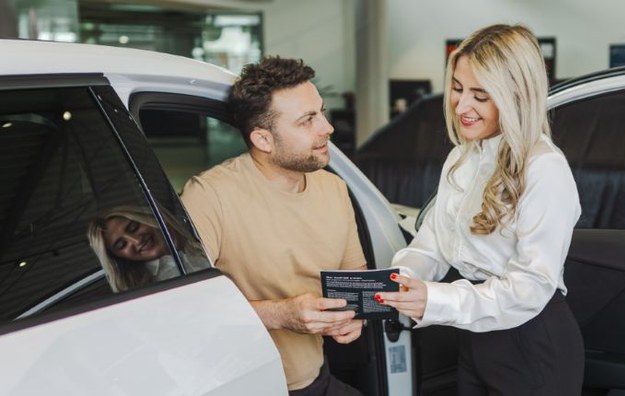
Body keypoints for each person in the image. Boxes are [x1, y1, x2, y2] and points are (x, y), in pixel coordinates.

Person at [377, 24, 584, 395]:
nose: (461, 105)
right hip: (474, 337)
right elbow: (434, 245)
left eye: (480, 95)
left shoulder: (545, 168)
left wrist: (435, 298)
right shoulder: (462, 156)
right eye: (457, 88)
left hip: (531, 342)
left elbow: (531, 287)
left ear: (516, 96)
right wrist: (401, 280)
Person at [180, 56, 366, 395]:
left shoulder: (334, 188)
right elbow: (181, 311)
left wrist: (355, 315)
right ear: (263, 140)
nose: (327, 128)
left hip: (313, 379)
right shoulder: (209, 196)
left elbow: (354, 274)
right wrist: (282, 315)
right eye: (308, 120)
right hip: (240, 385)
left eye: (321, 112)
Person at [86, 205, 209, 292]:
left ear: (147, 218)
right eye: (121, 245)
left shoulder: (205, 240)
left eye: (133, 227)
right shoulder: (146, 292)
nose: (136, 240)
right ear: (118, 258)